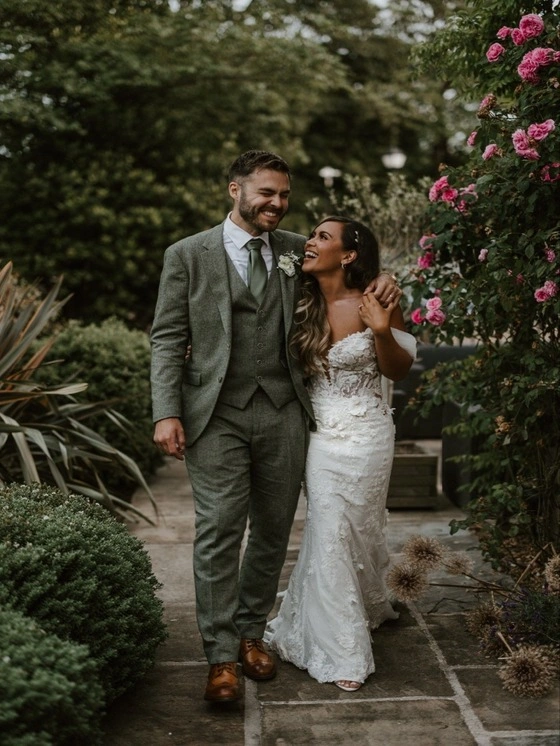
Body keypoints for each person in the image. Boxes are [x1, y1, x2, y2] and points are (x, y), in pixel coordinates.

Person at [150, 151, 399, 704]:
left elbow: (346, 275)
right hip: (215, 413)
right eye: (266, 193)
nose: (277, 205)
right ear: (234, 190)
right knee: (218, 528)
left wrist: (383, 279)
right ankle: (218, 657)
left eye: (284, 195)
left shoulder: (296, 251)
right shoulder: (187, 255)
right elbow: (167, 338)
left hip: (287, 410)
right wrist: (165, 411)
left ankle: (250, 632)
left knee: (271, 528)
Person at [264, 215, 416, 692]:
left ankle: (367, 601)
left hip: (369, 433)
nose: (310, 241)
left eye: (322, 237)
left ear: (348, 254)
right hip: (319, 436)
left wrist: (381, 331)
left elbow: (398, 372)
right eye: (311, 235)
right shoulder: (297, 299)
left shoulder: (378, 299)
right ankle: (340, 648)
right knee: (329, 527)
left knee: (358, 525)